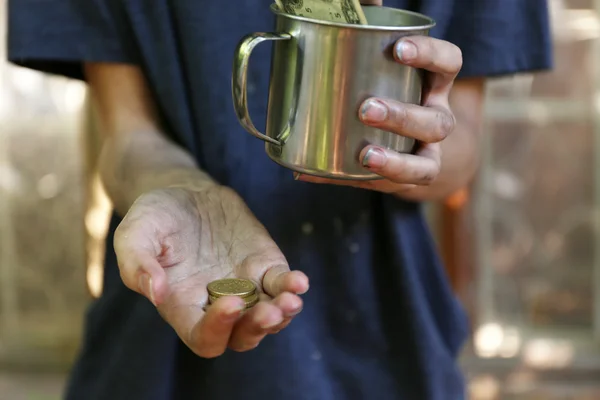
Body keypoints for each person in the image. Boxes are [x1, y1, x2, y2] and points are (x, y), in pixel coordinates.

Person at [7, 0, 552, 399]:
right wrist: (183, 190)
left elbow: (461, 146)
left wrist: (403, 160)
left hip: (390, 344)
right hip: (159, 330)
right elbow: (125, 132)